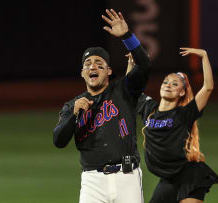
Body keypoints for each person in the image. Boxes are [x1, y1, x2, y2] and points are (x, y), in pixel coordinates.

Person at [53, 9, 150, 203]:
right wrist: (73, 115)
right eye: (88, 63)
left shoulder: (124, 90)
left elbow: (145, 65)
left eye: (99, 63)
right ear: (82, 73)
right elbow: (59, 140)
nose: (93, 66)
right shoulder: (72, 105)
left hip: (127, 177)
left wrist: (127, 36)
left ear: (109, 71)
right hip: (93, 181)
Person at [136, 48, 218, 203]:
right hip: (168, 179)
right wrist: (133, 62)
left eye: (175, 84)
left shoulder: (184, 114)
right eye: (166, 81)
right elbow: (131, 89)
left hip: (189, 177)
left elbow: (208, 87)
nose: (168, 85)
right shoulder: (149, 108)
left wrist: (204, 56)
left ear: (181, 92)